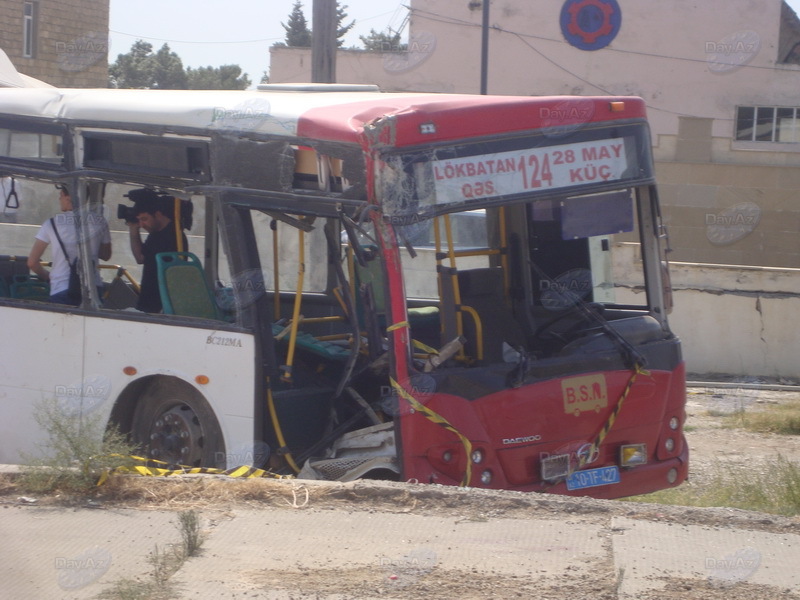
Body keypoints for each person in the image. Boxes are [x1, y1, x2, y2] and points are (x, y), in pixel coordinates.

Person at [27, 185, 112, 306]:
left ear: (69, 198)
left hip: (61, 288)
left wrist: (48, 276)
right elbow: (106, 255)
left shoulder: (51, 224)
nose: (59, 199)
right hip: (93, 289)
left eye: (61, 195)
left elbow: (32, 263)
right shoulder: (100, 221)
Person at [127, 191, 188, 313]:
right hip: (151, 300)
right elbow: (141, 258)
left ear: (158, 214)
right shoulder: (158, 234)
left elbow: (140, 258)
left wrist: (134, 231)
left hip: (158, 303)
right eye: (139, 221)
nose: (141, 225)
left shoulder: (169, 236)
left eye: (144, 219)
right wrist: (134, 229)